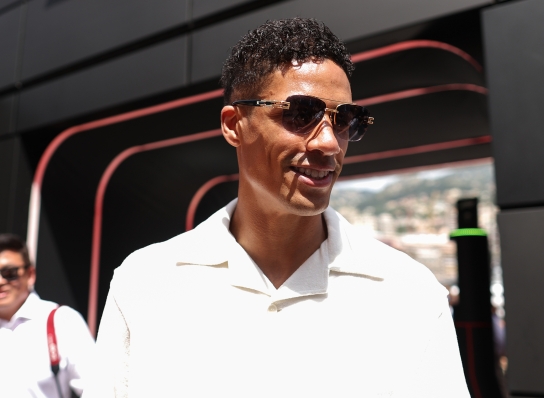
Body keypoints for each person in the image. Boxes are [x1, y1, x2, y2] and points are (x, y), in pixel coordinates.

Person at [86, 18, 469, 397]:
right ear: (234, 124)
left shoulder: (410, 294)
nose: (329, 144)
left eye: (344, 120)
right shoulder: (146, 282)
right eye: (301, 114)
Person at [0, 233, 95, 398]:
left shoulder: (62, 320)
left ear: (30, 275)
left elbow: (98, 390)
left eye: (9, 272)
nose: (0, 281)